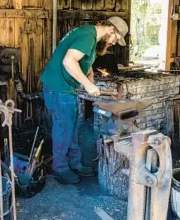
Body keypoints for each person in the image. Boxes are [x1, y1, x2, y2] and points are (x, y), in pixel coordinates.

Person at [40, 17, 129, 184]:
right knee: (63, 128)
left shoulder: (90, 35)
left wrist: (90, 76)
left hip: (66, 88)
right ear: (110, 30)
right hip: (58, 88)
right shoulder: (87, 37)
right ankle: (59, 168)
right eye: (115, 39)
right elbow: (68, 61)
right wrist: (87, 84)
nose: (113, 43)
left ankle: (74, 163)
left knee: (72, 126)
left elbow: (83, 61)